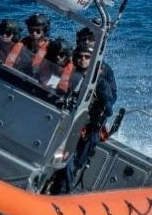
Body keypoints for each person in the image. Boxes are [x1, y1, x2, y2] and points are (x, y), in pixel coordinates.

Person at [50, 34, 118, 194]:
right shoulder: (68, 75)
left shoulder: (99, 82)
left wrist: (100, 113)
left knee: (73, 163)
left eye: (87, 57)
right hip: (65, 122)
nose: (83, 60)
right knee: (62, 159)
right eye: (80, 57)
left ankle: (61, 193)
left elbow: (109, 104)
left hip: (87, 129)